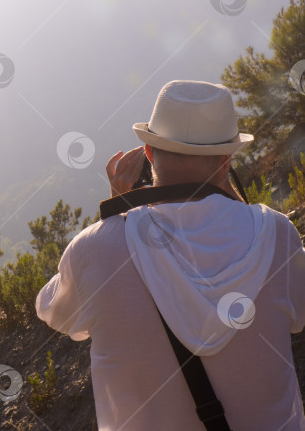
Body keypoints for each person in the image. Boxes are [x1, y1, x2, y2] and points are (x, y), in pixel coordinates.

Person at [36, 80, 305, 430]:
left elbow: (54, 311)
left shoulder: (95, 247)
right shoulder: (279, 235)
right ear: (226, 161)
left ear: (148, 154)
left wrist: (118, 213)